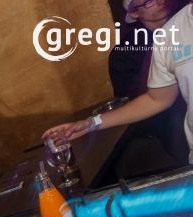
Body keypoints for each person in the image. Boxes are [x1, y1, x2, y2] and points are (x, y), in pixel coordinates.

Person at [44, 1, 193, 165]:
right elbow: (156, 99)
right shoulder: (165, 36)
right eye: (148, 0)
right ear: (134, 12)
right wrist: (90, 124)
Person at [107, 0, 190, 165]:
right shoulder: (125, 52)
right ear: (134, 13)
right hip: (173, 130)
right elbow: (137, 101)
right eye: (149, 1)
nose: (160, 1)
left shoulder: (186, 18)